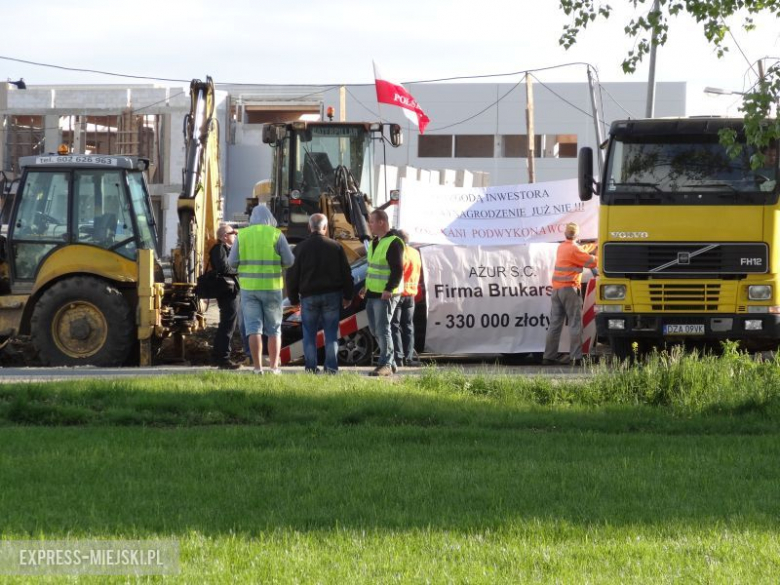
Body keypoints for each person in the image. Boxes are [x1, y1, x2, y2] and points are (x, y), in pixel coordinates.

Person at [229, 205, 294, 375]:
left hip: (249, 290)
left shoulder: (242, 235)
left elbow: (232, 262)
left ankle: (257, 368)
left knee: (253, 329)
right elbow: (289, 261)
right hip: (272, 289)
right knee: (274, 329)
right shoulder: (276, 234)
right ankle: (274, 368)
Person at [287, 213, 353, 374]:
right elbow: (346, 273)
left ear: (309, 227)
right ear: (325, 227)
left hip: (309, 297)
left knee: (309, 333)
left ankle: (310, 368)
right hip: (332, 296)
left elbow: (292, 275)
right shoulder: (336, 246)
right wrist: (348, 296)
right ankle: (331, 368)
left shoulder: (300, 248)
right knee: (331, 333)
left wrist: (293, 298)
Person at [543, 222, 597, 366]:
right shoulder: (575, 249)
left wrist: (589, 246)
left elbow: (578, 251)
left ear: (565, 234)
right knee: (575, 323)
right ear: (577, 235)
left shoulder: (562, 247)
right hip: (570, 290)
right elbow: (592, 262)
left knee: (555, 324)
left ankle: (548, 356)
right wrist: (599, 253)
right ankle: (576, 357)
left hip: (557, 290)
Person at [360, 209, 404, 377]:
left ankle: (385, 363)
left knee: (382, 328)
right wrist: (366, 287)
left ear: (381, 222)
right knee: (374, 329)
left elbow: (397, 269)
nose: (369, 225)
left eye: (371, 222)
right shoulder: (375, 242)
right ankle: (391, 362)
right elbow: (372, 269)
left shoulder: (394, 242)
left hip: (385, 294)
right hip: (373, 292)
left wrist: (389, 289)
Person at [210, 224, 241, 369]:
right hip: (227, 292)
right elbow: (223, 267)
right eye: (232, 233)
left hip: (230, 291)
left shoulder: (227, 249)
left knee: (229, 324)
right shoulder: (219, 249)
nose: (235, 235)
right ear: (224, 237)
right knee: (227, 324)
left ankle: (220, 356)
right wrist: (238, 269)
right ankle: (222, 358)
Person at [391, 230, 422, 367]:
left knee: (395, 326)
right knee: (408, 326)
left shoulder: (399, 252)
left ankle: (398, 358)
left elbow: (396, 271)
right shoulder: (415, 252)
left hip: (398, 294)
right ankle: (409, 358)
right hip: (411, 294)